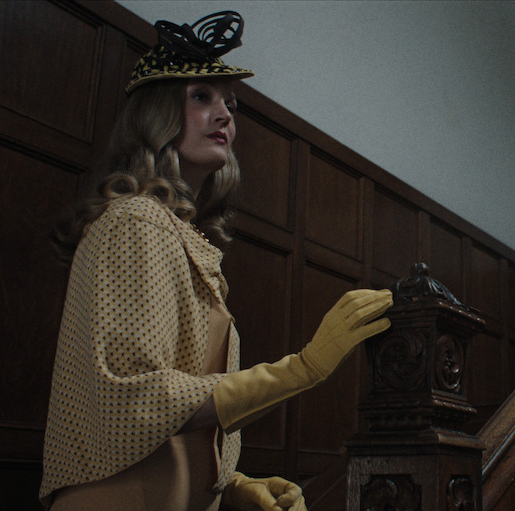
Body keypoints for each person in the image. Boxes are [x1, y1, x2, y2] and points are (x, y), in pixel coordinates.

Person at [39, 11, 392, 511]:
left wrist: (230, 485)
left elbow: (169, 421)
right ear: (156, 116)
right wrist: (304, 368)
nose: (225, 114)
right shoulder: (137, 220)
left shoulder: (176, 233)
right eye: (201, 97)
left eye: (230, 103)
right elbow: (134, 401)